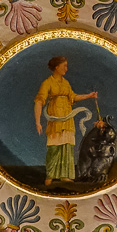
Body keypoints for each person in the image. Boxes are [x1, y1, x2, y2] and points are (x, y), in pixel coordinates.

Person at [33, 55, 97, 188]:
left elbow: (73, 97)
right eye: (64, 66)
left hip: (67, 118)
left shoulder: (65, 83)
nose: (66, 69)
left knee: (67, 146)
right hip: (55, 118)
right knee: (54, 147)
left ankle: (64, 175)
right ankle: (50, 175)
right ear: (57, 67)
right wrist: (38, 122)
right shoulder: (47, 83)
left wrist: (89, 96)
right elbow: (39, 101)